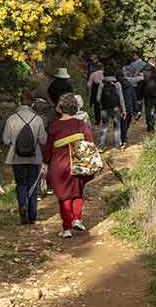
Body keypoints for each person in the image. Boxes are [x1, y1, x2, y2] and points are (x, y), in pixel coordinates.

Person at [43, 93, 94, 238]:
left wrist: (44, 164)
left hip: (58, 166)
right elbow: (90, 144)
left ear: (60, 108)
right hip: (77, 163)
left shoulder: (54, 127)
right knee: (77, 192)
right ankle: (77, 219)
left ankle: (66, 229)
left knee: (63, 196)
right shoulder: (81, 124)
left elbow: (48, 150)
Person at [2, 91, 48, 225]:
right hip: (35, 157)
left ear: (19, 102)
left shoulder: (11, 118)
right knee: (33, 185)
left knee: (21, 184)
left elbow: (5, 140)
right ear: (33, 103)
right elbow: (44, 140)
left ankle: (22, 206)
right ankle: (32, 216)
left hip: (16, 157)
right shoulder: (37, 119)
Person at [96, 74, 126, 148]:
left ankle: (101, 145)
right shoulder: (117, 84)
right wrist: (124, 110)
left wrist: (102, 104)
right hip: (116, 109)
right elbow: (121, 98)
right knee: (117, 127)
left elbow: (98, 98)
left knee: (104, 127)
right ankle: (117, 144)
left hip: (104, 109)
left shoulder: (102, 84)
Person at [138, 66, 156, 132]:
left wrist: (139, 97)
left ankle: (149, 125)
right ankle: (153, 123)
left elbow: (141, 86)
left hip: (148, 95)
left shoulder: (145, 74)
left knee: (148, 110)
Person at [86, 60, 104, 125]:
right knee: (104, 105)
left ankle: (98, 121)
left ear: (96, 68)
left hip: (95, 90)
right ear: (102, 67)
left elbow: (88, 85)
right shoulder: (104, 73)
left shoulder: (93, 74)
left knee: (96, 106)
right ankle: (105, 119)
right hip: (104, 89)